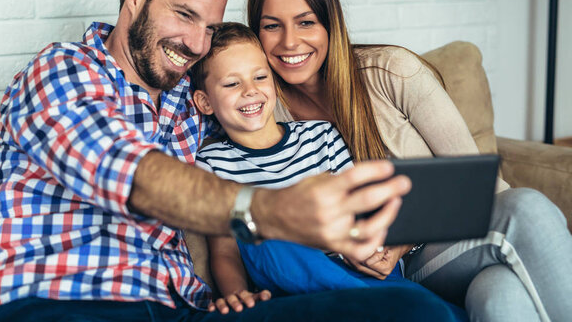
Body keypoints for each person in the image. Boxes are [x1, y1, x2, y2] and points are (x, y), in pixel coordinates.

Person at [0, 0, 464, 322]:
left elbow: (254, 87)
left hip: (183, 311)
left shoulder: (194, 99)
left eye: (209, 26)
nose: (195, 42)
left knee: (417, 310)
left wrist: (224, 297)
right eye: (184, 15)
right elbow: (134, 176)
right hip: (54, 303)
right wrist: (274, 209)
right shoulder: (62, 72)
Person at [246, 0, 572, 322]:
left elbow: (480, 186)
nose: (290, 42)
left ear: (330, 25)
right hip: (380, 275)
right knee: (525, 216)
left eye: (306, 22)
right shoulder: (260, 108)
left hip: (449, 243)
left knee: (500, 294)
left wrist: (400, 241)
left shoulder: (391, 72)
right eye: (272, 26)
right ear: (255, 34)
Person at [190, 21, 467, 321]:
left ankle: (386, 299)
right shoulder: (212, 162)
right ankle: (390, 302)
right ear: (204, 101)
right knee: (265, 235)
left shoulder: (319, 135)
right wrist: (238, 296)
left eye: (260, 77)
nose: (251, 91)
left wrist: (374, 246)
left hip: (354, 267)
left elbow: (358, 209)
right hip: (289, 273)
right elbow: (224, 249)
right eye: (232, 84)